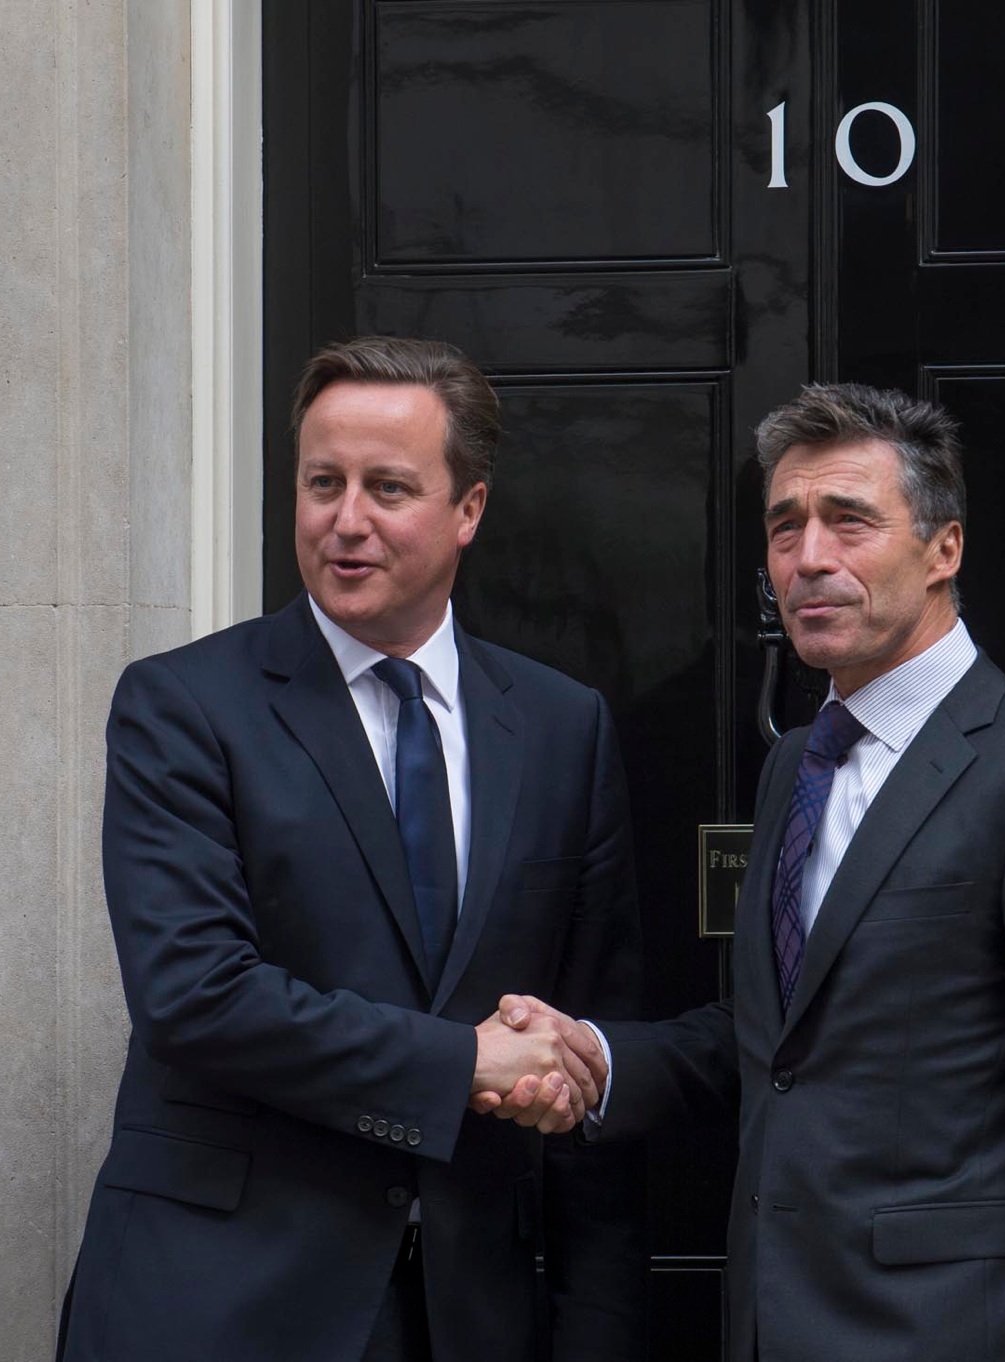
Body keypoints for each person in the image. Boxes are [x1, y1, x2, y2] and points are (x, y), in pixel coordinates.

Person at [486, 384, 1005, 1361]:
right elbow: (775, 1047)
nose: (808, 558)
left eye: (849, 522)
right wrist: (593, 1059)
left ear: (943, 549)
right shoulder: (797, 762)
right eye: (785, 528)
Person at [57, 337, 642, 1362]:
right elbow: (195, 994)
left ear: (468, 510)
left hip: (471, 1315)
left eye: (388, 487)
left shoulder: (561, 727)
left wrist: (595, 1333)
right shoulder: (184, 707)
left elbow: (589, 1045)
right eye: (322, 482)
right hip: (220, 1308)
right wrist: (461, 1061)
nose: (345, 520)